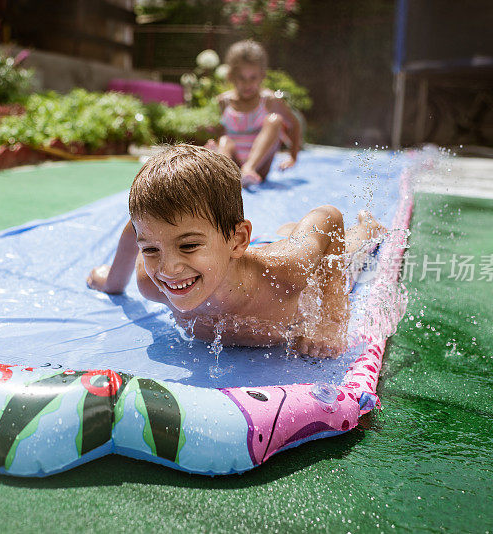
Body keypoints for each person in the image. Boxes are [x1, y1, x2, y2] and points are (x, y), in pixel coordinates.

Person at [87, 145, 385, 358]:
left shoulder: (285, 272)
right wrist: (113, 280)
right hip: (229, 257)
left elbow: (327, 217)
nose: (168, 268)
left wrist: (332, 319)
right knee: (286, 236)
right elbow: (135, 228)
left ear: (238, 238)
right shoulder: (153, 283)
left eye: (188, 245)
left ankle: (367, 228)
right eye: (151, 249)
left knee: (345, 257)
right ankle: (286, 231)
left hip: (273, 262)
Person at [205, 39, 302, 187]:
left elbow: (294, 125)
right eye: (241, 78)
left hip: (259, 168)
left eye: (253, 78)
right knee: (224, 141)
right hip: (232, 164)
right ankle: (224, 175)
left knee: (274, 120)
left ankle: (248, 168)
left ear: (262, 76)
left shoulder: (269, 100)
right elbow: (216, 133)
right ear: (231, 76)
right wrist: (211, 145)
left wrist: (293, 157)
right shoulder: (223, 102)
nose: (247, 84)